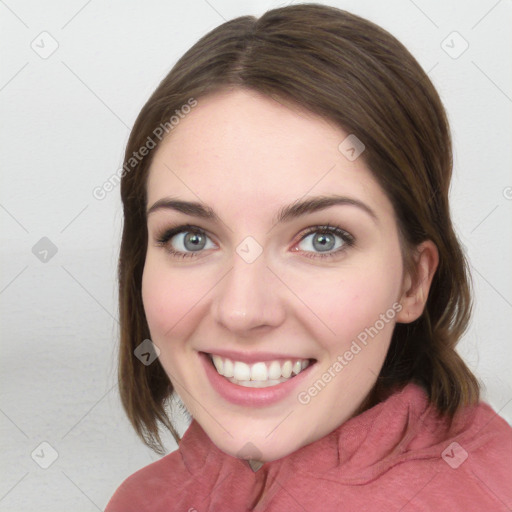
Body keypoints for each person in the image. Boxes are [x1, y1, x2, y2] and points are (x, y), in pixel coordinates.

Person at [105, 4, 512, 511]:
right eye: (192, 238)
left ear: (413, 281)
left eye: (323, 239)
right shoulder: (146, 500)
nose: (242, 310)